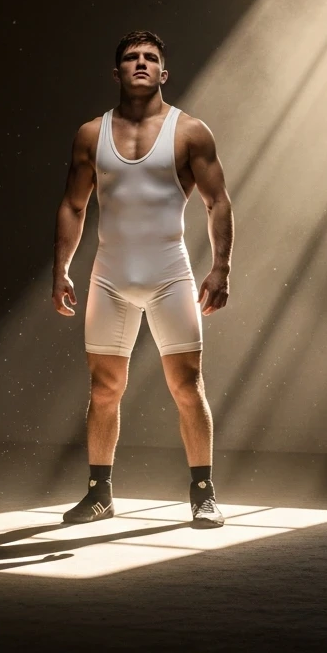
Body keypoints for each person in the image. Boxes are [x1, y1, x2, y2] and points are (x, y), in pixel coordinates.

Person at [52, 30, 234, 528]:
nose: (140, 64)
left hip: (170, 275)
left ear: (163, 72)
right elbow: (74, 204)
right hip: (109, 277)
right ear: (116, 73)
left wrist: (220, 267)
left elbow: (217, 201)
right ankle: (98, 493)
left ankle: (203, 493)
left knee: (187, 384)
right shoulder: (91, 134)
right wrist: (61, 268)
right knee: (104, 387)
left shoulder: (190, 131)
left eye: (150, 58)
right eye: (131, 58)